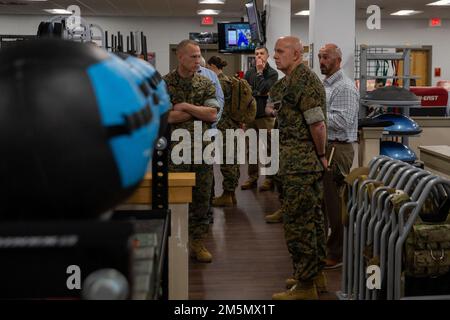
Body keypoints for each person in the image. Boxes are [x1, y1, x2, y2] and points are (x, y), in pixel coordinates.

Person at [266, 36, 328, 300]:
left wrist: (322, 154)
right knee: (310, 221)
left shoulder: (305, 81)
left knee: (300, 225)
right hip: (293, 164)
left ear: (296, 54)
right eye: (275, 52)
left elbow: (318, 125)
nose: (275, 56)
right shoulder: (290, 81)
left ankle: (305, 286)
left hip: (301, 166)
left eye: (280, 52)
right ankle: (314, 275)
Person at [163, 40, 220, 263]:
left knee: (202, 197)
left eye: (199, 56)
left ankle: (197, 241)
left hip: (202, 150)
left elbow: (212, 114)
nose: (199, 61)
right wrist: (198, 111)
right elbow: (166, 116)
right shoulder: (165, 83)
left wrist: (185, 107)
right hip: (176, 151)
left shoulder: (206, 82)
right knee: (176, 197)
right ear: (180, 57)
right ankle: (177, 240)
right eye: (193, 57)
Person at [318, 44, 359, 269]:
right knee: (324, 202)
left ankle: (337, 254)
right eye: (320, 57)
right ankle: (327, 248)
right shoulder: (327, 85)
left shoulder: (344, 87)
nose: (322, 61)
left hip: (338, 147)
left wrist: (315, 115)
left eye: (326, 57)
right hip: (327, 146)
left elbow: (342, 123)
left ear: (338, 60)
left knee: (335, 206)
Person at [206, 56, 244, 207]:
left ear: (212, 66)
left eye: (208, 67)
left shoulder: (218, 82)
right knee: (232, 160)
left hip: (223, 125)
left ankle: (227, 194)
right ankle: (231, 194)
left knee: (227, 161)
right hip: (232, 124)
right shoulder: (230, 80)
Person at [241, 46, 278, 192]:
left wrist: (260, 73)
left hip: (265, 117)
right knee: (251, 149)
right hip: (251, 116)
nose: (259, 56)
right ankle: (252, 177)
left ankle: (270, 179)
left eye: (262, 53)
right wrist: (257, 93)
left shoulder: (272, 74)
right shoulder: (249, 73)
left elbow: (264, 89)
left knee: (269, 149)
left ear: (267, 56)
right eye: (256, 54)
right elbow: (245, 93)